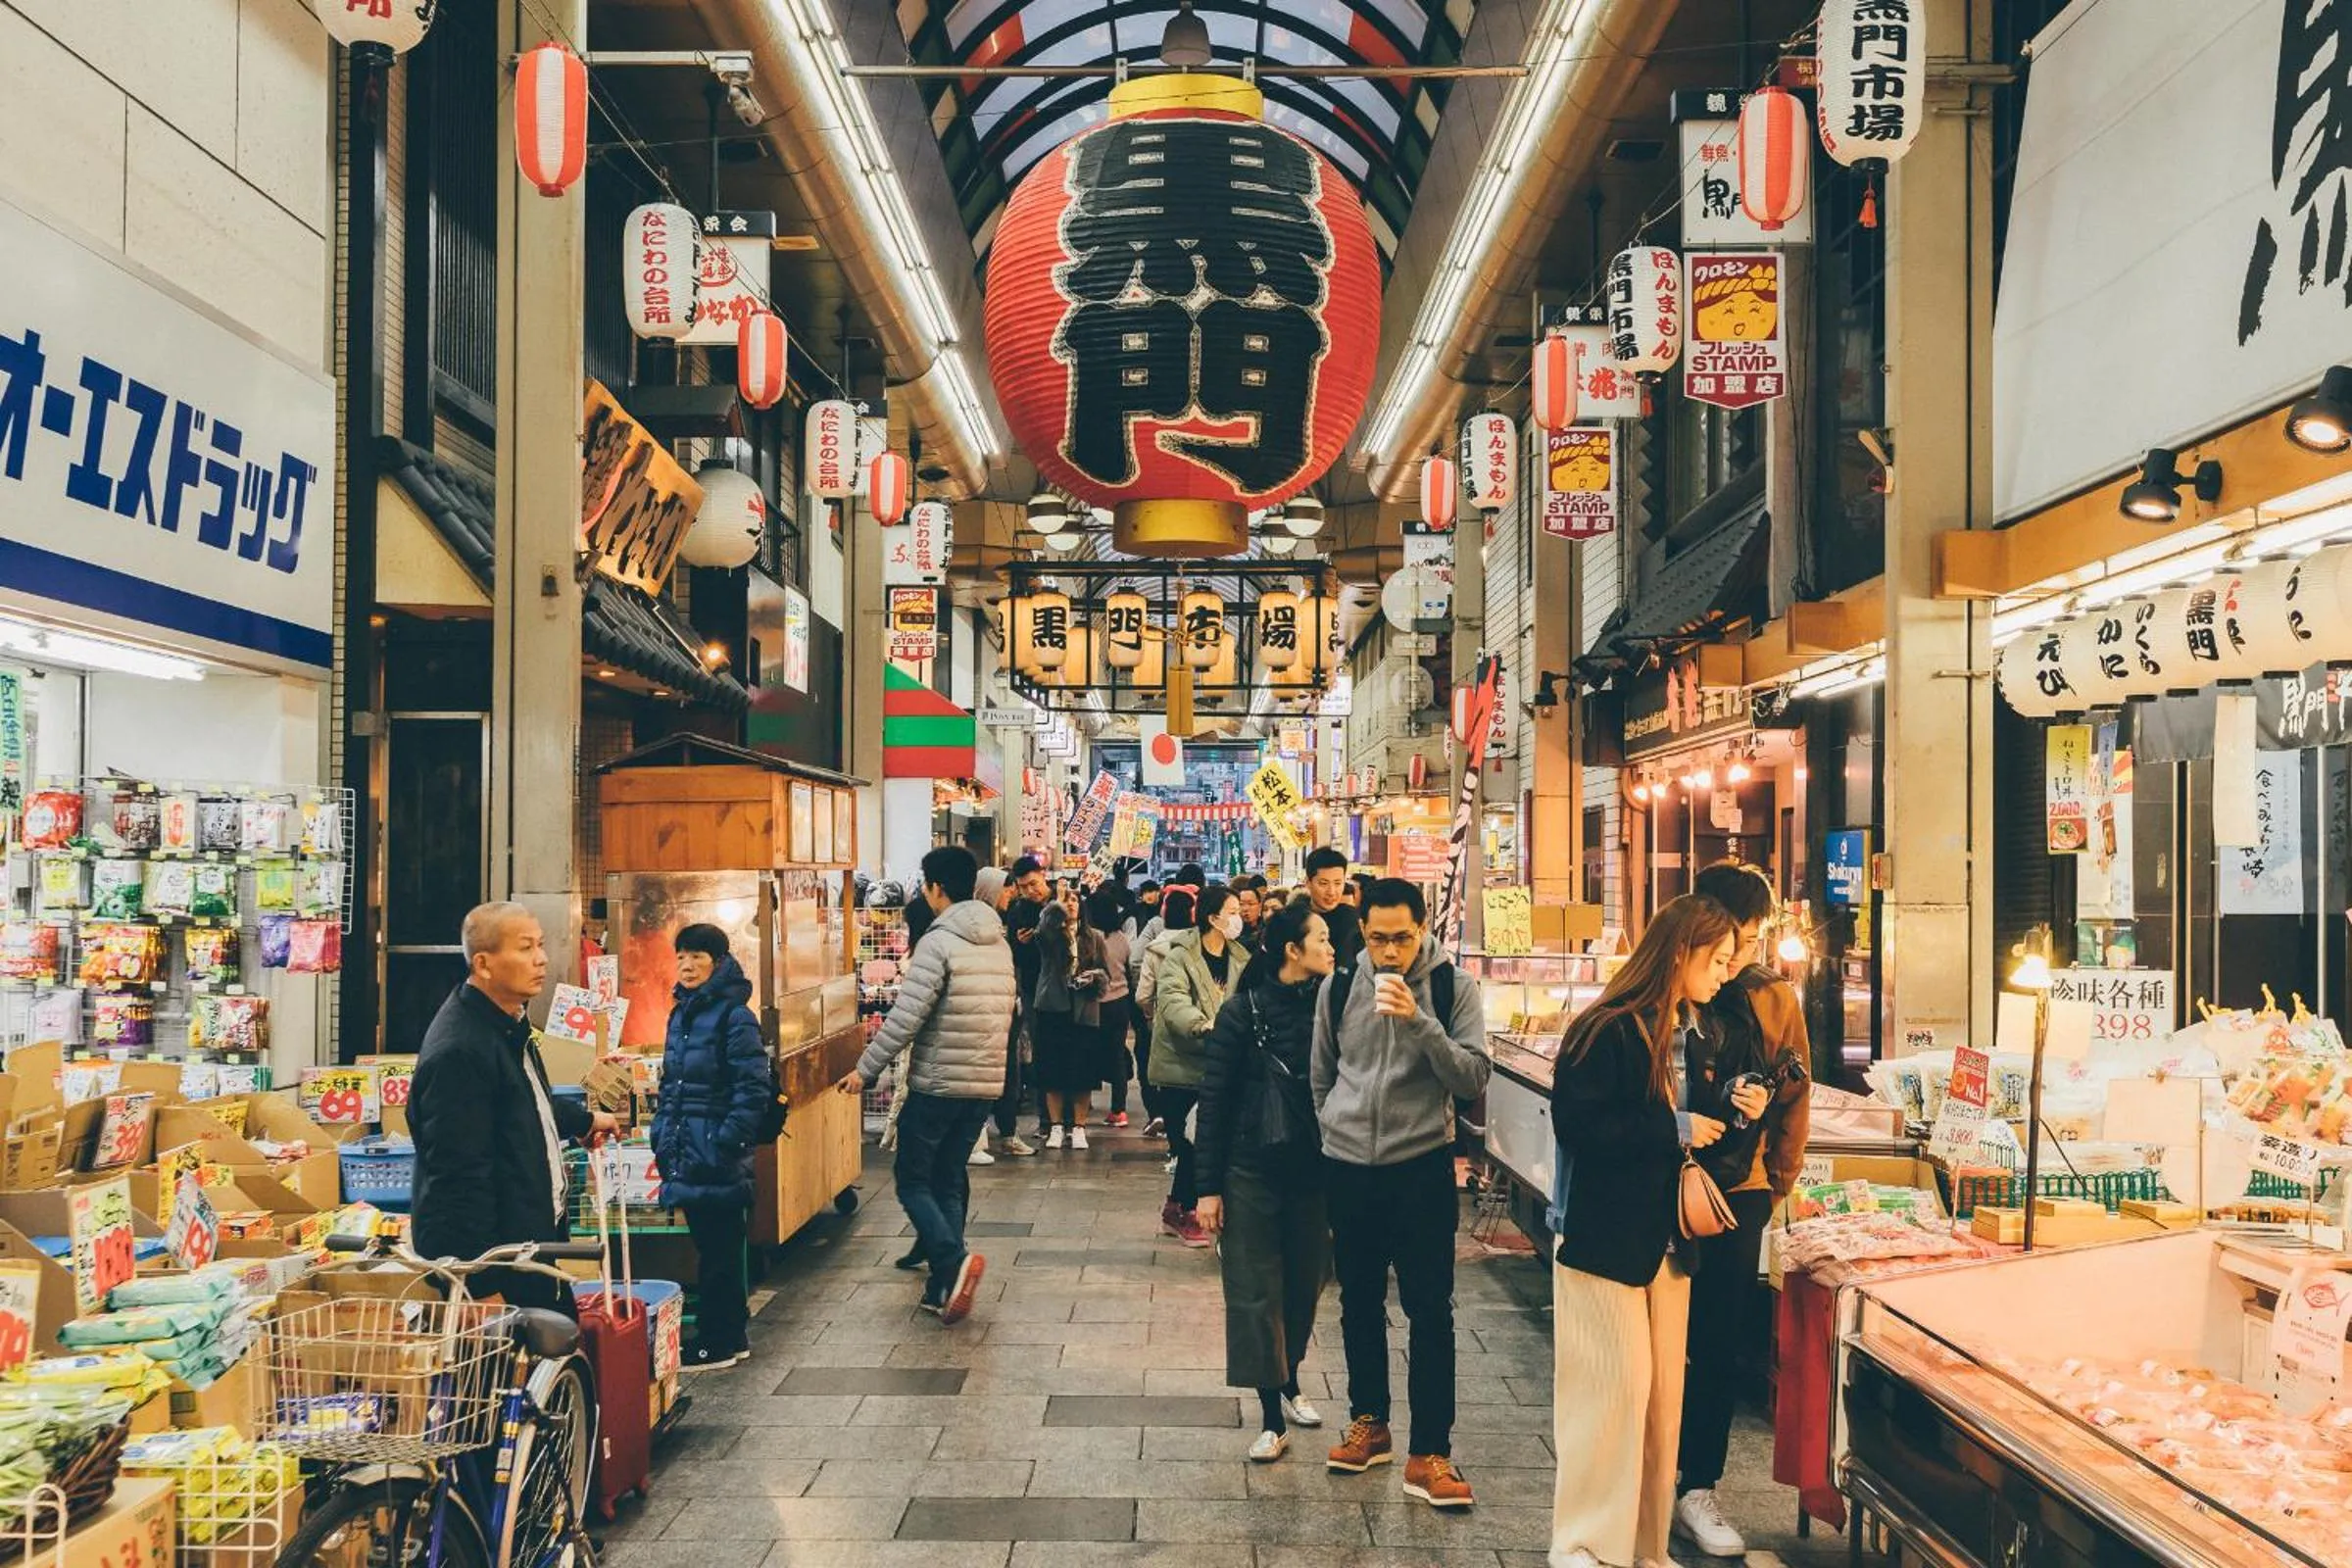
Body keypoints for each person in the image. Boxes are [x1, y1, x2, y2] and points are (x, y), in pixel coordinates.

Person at [1546, 895, 1741, 1568]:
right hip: (1607, 1239)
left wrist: (1734, 1108)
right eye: (1717, 960)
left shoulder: (1698, 1031)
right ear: (1681, 952)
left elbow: (1696, 1130)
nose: (1724, 974)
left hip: (1669, 1245)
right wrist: (1675, 1127)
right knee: (1611, 1395)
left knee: (1660, 1404)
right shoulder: (1607, 1027)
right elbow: (1578, 1124)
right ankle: (1583, 1542)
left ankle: (1643, 1545)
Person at [1312, 877, 1490, 1510]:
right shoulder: (1338, 986)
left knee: (1429, 1309)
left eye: (1404, 938)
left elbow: (1473, 1077)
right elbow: (1321, 1075)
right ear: (1362, 931)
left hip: (1420, 1165)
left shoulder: (1452, 986)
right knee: (1358, 1301)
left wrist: (1420, 1022)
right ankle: (1370, 1423)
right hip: (1349, 1166)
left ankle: (1430, 1451)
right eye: (1379, 938)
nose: (1391, 951)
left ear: (1424, 929)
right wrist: (1334, 1130)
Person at [1674, 864, 1812, 1557]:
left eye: (1751, 941)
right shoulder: (1672, 987)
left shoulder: (1771, 996)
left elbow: (1796, 1092)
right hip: (1665, 1183)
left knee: (1718, 1342)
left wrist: (1774, 1183)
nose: (1742, 956)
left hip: (1740, 1192)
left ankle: (1698, 1485)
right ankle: (1646, 1474)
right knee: (1658, 1338)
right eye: (1738, 938)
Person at [411, 902, 617, 1313]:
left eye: (540, 945)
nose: (541, 959)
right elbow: (455, 1180)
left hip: (528, 1248)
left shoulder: (505, 1024)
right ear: (484, 964)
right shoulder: (460, 1050)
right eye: (525, 948)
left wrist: (585, 1120)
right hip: (497, 1267)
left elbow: (524, 1102)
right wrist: (479, 1287)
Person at [850, 846, 1014, 1326]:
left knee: (912, 1179)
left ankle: (951, 1260)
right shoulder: (998, 942)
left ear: (935, 887)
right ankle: (942, 1287)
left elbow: (906, 1018)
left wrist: (865, 1070)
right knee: (948, 1178)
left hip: (939, 1082)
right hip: (984, 1084)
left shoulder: (938, 942)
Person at [1197, 899, 1335, 1462]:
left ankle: (1289, 1377)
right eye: (1322, 939)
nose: (1331, 948)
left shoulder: (1333, 1007)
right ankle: (1271, 1417)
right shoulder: (1242, 1011)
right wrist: (1207, 1188)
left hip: (1315, 1173)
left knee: (1305, 1286)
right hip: (1249, 1169)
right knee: (1256, 1293)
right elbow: (1214, 1102)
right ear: (1292, 950)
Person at [650, 923, 774, 1369]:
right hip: (687, 1149)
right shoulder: (681, 1013)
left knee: (719, 1251)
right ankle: (729, 1332)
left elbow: (753, 1088)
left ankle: (718, 1341)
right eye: (681, 956)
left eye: (697, 957)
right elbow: (672, 1084)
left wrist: (727, 1142)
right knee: (713, 1247)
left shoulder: (734, 1016)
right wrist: (662, 1133)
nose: (686, 965)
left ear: (718, 963)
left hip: (716, 1153)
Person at [1148, 884, 1247, 1248]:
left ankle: (1178, 1207)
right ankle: (1183, 1209)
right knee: (1190, 1144)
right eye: (1232, 912)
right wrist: (1202, 1025)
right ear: (1213, 917)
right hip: (1181, 1065)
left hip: (1222, 1063)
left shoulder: (1241, 957)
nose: (1238, 918)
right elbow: (1172, 1000)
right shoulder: (1179, 956)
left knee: (1207, 1140)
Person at [1032, 883, 1107, 1149]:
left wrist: (1094, 978)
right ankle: (1055, 1126)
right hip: (1053, 1009)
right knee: (1052, 1071)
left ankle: (1078, 1127)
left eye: (1075, 900)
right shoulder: (1051, 936)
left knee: (1082, 1072)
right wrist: (1057, 904)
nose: (1071, 904)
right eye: (1067, 901)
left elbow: (1105, 973)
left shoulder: (1094, 937)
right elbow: (1043, 928)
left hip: (1084, 1010)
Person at [1133, 885, 1197, 1139]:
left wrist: (1151, 1015)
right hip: (1194, 1022)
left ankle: (1162, 1119)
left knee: (1160, 1075)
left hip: (1162, 1022)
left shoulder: (1154, 947)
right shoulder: (1200, 945)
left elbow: (1142, 995)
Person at [1087, 890, 1137, 1128]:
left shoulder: (1089, 938)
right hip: (1120, 1002)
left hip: (1094, 1004)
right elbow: (1129, 967)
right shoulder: (1122, 938)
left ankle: (1083, 1102)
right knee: (1117, 1054)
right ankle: (1119, 1110)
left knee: (1087, 1052)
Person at [1303, 848, 1363, 969]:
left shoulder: (1353, 920)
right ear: (1308, 883)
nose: (1331, 892)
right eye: (1323, 883)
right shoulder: (1295, 919)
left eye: (1337, 883)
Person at [1230, 874, 1267, 945]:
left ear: (1260, 905)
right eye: (1241, 904)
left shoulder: (1267, 930)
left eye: (1251, 904)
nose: (1245, 909)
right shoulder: (1230, 931)